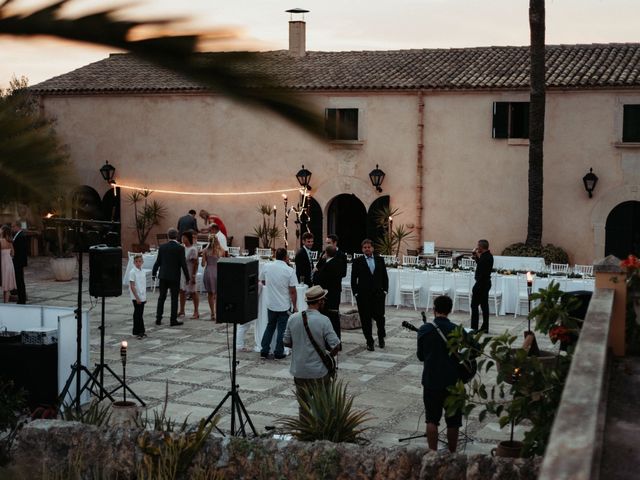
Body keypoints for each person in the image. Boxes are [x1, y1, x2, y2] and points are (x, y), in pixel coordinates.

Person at [416, 295, 463, 453]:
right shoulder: (457, 330)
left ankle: (433, 453)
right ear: (450, 310)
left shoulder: (425, 330)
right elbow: (475, 348)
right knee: (453, 421)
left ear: (434, 309)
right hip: (453, 381)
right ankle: (452, 453)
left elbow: (421, 356)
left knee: (431, 419)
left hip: (431, 380)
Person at [283, 285, 341, 404]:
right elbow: (336, 345)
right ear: (320, 301)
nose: (325, 302)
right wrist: (328, 356)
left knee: (304, 409)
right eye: (324, 299)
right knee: (322, 407)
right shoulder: (324, 320)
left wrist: (300, 345)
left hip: (299, 371)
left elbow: (286, 342)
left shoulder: (293, 318)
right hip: (318, 372)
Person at [259, 248, 298, 359]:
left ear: (275, 255)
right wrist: (295, 306)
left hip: (271, 302)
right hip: (283, 304)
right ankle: (278, 352)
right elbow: (293, 291)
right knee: (282, 329)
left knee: (270, 326)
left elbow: (262, 280)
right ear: (286, 257)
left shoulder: (267, 266)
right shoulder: (289, 270)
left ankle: (264, 350)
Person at [351, 238, 388, 351]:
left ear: (372, 248)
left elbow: (384, 277)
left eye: (369, 247)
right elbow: (353, 279)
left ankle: (381, 337)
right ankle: (369, 341)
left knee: (380, 318)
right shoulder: (357, 261)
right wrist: (356, 293)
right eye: (365, 247)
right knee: (366, 320)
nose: (367, 249)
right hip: (363, 295)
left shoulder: (380, 260)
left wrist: (385, 290)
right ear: (362, 249)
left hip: (378, 295)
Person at [152, 228, 189, 326]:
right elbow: (183, 264)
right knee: (174, 299)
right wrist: (187, 277)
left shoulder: (162, 247)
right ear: (177, 236)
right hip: (174, 277)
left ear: (168, 236)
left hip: (163, 276)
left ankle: (158, 319)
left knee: (161, 298)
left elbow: (158, 261)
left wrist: (154, 272)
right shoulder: (180, 248)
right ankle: (173, 320)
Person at [313, 245, 343, 339]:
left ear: (326, 253)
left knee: (329, 318)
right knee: (335, 318)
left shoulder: (328, 265)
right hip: (336, 294)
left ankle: (329, 340)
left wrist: (316, 272)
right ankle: (337, 340)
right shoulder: (338, 263)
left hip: (328, 295)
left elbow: (318, 280)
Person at [470, 239, 494, 333]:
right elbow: (480, 264)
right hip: (486, 283)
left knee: (474, 305)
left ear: (481, 247)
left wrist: (477, 283)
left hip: (481, 284)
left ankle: (474, 328)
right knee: (484, 306)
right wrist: (476, 256)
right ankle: (485, 327)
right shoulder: (487, 256)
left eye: (478, 246)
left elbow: (481, 270)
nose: (477, 247)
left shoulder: (485, 257)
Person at [178, 230, 200, 319]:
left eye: (185, 238)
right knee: (182, 291)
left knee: (193, 292)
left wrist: (193, 275)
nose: (183, 239)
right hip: (183, 272)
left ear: (189, 238)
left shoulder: (193, 249)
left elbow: (196, 263)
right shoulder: (182, 248)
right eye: (182, 237)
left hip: (190, 272)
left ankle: (196, 311)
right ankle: (182, 310)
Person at [201, 233, 224, 320]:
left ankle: (212, 313)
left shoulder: (205, 250)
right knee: (218, 294)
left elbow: (203, 264)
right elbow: (223, 260)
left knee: (210, 294)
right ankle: (218, 313)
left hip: (208, 272)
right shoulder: (220, 250)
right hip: (218, 272)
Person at [129, 254, 147, 339]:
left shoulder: (142, 271)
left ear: (142, 262)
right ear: (134, 262)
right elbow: (132, 286)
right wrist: (137, 297)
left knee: (138, 313)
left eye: (140, 261)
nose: (138, 263)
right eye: (136, 261)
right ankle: (140, 331)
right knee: (138, 314)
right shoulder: (133, 272)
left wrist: (144, 297)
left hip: (142, 296)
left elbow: (143, 284)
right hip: (136, 296)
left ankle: (136, 331)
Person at [11, 221, 27, 304]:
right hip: (17, 261)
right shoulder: (17, 235)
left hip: (18, 262)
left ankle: (22, 299)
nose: (12, 228)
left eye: (13, 226)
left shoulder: (21, 236)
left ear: (18, 226)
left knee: (20, 281)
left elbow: (21, 251)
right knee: (19, 281)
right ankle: (21, 298)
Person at [0, 226, 16, 303]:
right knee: (7, 283)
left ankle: (5, 303)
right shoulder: (10, 241)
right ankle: (6, 303)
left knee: (4, 282)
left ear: (3, 231)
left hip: (2, 263)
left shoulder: (0, 241)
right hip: (9, 263)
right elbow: (13, 253)